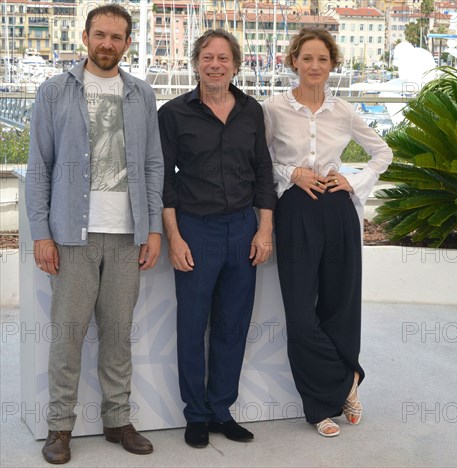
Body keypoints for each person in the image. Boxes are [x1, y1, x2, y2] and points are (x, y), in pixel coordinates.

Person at [25, 5, 164, 464]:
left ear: (127, 43)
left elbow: (152, 165)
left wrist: (154, 227)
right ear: (85, 37)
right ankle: (59, 427)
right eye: (100, 35)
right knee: (67, 335)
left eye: (117, 37)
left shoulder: (142, 94)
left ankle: (117, 419)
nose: (107, 43)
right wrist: (41, 233)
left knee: (118, 335)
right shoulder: (54, 91)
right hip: (71, 235)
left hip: (127, 236)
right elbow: (39, 169)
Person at [262, 27, 393, 437]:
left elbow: (383, 153)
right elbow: (260, 162)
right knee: (301, 315)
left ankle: (338, 396)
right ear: (293, 62)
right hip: (295, 211)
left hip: (338, 212)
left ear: (332, 64)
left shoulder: (344, 110)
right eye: (306, 58)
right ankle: (337, 388)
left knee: (341, 306)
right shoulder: (272, 109)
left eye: (322, 59)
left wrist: (353, 181)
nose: (314, 66)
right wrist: (291, 173)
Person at [157, 29, 277, 448]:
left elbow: (264, 173)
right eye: (207, 57)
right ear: (195, 63)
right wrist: (174, 237)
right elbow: (163, 183)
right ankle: (196, 416)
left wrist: (264, 228)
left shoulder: (251, 110)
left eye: (223, 59)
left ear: (235, 65)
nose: (215, 65)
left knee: (232, 325)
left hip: (243, 229)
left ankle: (222, 410)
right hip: (196, 228)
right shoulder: (173, 113)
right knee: (192, 326)